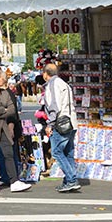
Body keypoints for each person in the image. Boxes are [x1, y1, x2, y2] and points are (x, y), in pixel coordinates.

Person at [43, 63, 80, 191]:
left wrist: (50, 124)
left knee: (57, 152)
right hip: (71, 120)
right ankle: (69, 180)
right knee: (68, 152)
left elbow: (55, 106)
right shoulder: (64, 84)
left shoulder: (52, 85)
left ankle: (71, 179)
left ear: (45, 74)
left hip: (61, 123)